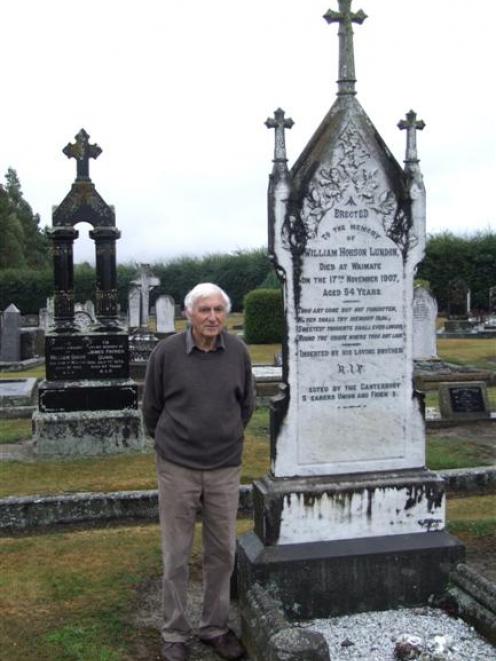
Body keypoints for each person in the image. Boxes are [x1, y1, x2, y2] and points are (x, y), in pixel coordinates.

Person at [143, 283, 254, 661]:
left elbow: (247, 404)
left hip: (224, 466)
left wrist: (227, 437)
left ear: (226, 314)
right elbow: (152, 408)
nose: (212, 317)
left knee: (222, 552)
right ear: (188, 314)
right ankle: (174, 632)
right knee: (176, 552)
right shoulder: (167, 353)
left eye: (218, 310)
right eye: (204, 310)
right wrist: (170, 444)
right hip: (177, 467)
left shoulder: (238, 352)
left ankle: (214, 627)